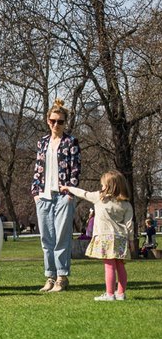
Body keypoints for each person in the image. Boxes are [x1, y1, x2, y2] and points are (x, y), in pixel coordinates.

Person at [31, 99, 81, 293]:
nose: (56, 125)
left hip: (63, 195)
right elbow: (38, 168)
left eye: (60, 121)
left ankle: (62, 276)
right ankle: (49, 277)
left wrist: (70, 192)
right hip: (43, 196)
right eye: (53, 121)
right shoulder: (42, 142)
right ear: (47, 120)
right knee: (46, 238)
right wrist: (35, 192)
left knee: (62, 237)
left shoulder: (71, 142)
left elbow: (75, 169)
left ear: (65, 122)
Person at [60, 170, 133, 301]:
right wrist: (131, 241)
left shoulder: (100, 198)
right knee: (120, 265)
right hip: (121, 238)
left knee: (109, 266)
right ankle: (121, 293)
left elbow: (83, 193)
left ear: (109, 186)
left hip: (105, 237)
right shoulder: (126, 204)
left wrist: (68, 188)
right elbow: (129, 225)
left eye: (103, 185)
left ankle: (110, 294)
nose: (102, 187)